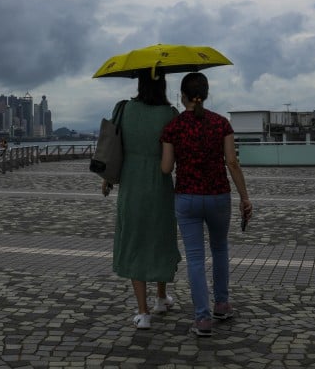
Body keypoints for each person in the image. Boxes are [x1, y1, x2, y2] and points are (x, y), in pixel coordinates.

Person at [160, 71, 252, 337]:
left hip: (187, 198)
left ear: (182, 96)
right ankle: (222, 305)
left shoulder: (173, 127)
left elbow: (166, 168)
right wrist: (245, 196)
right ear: (206, 94)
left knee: (196, 258)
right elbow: (232, 163)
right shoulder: (221, 123)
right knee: (220, 249)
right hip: (218, 196)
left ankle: (202, 319)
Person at [102, 69, 181, 330]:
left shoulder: (123, 109)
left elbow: (113, 149)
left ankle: (143, 312)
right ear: (163, 85)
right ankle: (161, 298)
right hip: (160, 183)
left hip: (131, 183)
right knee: (159, 238)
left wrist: (107, 178)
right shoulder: (170, 115)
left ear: (139, 83)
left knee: (135, 240)